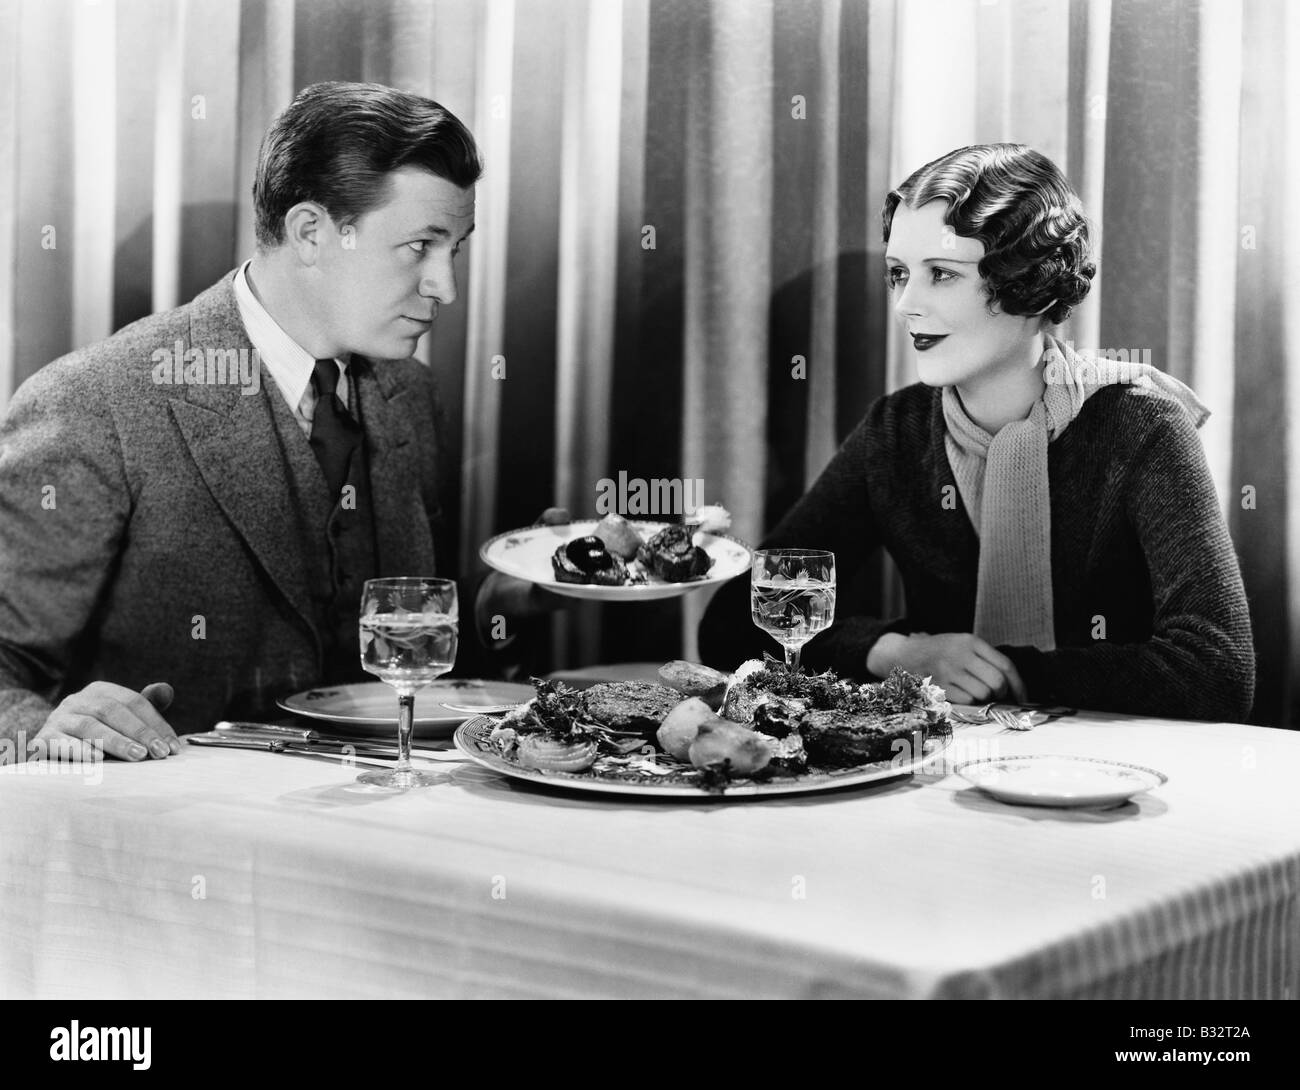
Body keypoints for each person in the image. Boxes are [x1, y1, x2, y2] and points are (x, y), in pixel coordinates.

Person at [0, 81, 548, 764]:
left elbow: (386, 654)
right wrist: (48, 724)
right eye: (419, 247)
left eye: (455, 250)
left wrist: (506, 607)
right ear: (311, 233)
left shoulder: (409, 393)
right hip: (170, 846)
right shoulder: (92, 403)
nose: (446, 286)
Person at [700, 143, 1255, 721]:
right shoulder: (896, 433)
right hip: (944, 773)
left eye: (941, 274)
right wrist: (899, 653)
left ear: (1029, 283)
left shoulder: (1139, 425)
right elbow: (732, 622)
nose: (906, 305)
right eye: (898, 275)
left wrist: (1008, 675)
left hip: (1116, 778)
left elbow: (1217, 672)